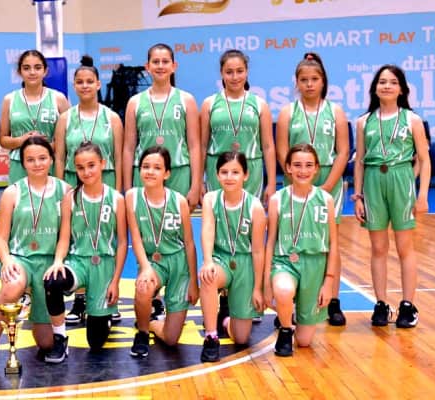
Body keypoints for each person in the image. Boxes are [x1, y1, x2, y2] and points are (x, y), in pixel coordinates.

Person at [0, 136, 70, 369]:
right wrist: (6, 260)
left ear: (51, 159)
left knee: (46, 343)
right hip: (20, 257)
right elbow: (0, 239)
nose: (37, 164)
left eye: (42, 158)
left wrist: (58, 261)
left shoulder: (65, 191)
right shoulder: (12, 192)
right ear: (23, 162)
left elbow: (65, 237)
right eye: (30, 159)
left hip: (48, 262)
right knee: (12, 284)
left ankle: (37, 311)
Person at [353, 65, 430, 328]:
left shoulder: (412, 119)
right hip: (373, 181)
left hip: (401, 180)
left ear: (402, 89)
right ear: (374, 88)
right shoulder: (364, 122)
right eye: (382, 81)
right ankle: (381, 303)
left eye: (393, 82)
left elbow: (424, 159)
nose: (387, 86)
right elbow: (360, 161)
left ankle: (407, 305)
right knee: (378, 248)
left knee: (404, 246)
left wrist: (422, 194)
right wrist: (358, 196)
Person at [275, 52, 349, 326]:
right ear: (296, 82)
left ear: (323, 81)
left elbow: (343, 151)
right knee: (293, 237)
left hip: (328, 178)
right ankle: (291, 304)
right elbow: (282, 150)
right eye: (304, 79)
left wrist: (326, 187)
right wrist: (297, 178)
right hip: (297, 178)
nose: (309, 84)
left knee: (329, 240)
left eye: (314, 79)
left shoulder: (335, 111)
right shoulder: (287, 112)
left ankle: (333, 300)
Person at [53, 62, 124, 325]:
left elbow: (119, 156)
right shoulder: (65, 118)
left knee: (106, 238)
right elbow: (60, 157)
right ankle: (80, 299)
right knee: (77, 239)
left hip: (106, 181)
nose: (85, 86)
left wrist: (120, 189)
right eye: (80, 82)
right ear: (74, 86)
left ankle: (108, 295)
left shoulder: (112, 118)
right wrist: (61, 188)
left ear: (98, 84)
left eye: (89, 81)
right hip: (75, 182)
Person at [42, 142, 127, 362]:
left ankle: (104, 316)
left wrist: (115, 281)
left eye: (91, 165)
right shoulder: (70, 198)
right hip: (77, 262)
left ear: (102, 164)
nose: (86, 172)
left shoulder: (117, 199)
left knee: (96, 342)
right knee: (53, 281)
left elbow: (122, 243)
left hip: (104, 267)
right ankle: (60, 338)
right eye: (80, 167)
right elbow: (64, 238)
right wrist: (58, 261)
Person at [265, 144, 338, 357]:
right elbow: (270, 242)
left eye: (308, 165)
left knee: (304, 341)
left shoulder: (326, 200)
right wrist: (266, 283)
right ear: (288, 167)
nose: (303, 170)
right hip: (285, 262)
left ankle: (296, 317)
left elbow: (333, 244)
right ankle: (285, 329)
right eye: (297, 165)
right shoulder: (277, 199)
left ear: (316, 168)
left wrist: (329, 283)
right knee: (283, 291)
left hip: (315, 266)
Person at [126, 146, 198, 358]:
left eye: (157, 167)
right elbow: (135, 238)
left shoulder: (179, 201)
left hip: (178, 264)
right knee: (143, 286)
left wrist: (194, 282)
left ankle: (152, 322)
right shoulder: (132, 197)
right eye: (145, 166)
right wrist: (145, 267)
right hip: (152, 261)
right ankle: (142, 333)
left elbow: (189, 243)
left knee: (171, 339)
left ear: (166, 173)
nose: (150, 171)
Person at [198, 151, 266, 362]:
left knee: (241, 338)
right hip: (221, 258)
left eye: (235, 172)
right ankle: (211, 336)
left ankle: (226, 320)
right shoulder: (211, 199)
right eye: (224, 172)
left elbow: (258, 250)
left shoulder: (255, 207)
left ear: (246, 175)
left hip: (245, 262)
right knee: (207, 277)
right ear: (217, 175)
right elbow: (208, 229)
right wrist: (208, 261)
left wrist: (258, 288)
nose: (229, 177)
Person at [123, 43, 201, 211]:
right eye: (155, 61)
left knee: (177, 224)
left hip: (178, 171)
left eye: (165, 61)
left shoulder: (186, 100)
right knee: (145, 224)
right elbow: (129, 148)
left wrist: (196, 185)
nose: (160, 66)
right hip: (145, 173)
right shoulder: (135, 102)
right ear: (147, 66)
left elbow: (194, 146)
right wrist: (128, 188)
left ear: (174, 66)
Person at [200, 50, 276, 202]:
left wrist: (272, 183)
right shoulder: (210, 103)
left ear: (246, 72)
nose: (235, 77)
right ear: (222, 73)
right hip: (218, 169)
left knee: (249, 215)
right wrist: (199, 181)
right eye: (229, 72)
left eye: (240, 71)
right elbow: (202, 146)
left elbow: (268, 146)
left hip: (251, 169)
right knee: (219, 214)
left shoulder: (259, 104)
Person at [0, 50, 70, 184]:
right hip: (19, 165)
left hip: (50, 163)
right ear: (19, 72)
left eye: (37, 67)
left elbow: (68, 137)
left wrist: (45, 147)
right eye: (26, 68)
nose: (32, 72)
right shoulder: (10, 99)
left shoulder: (58, 99)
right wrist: (22, 140)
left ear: (45, 71)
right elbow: (3, 139)